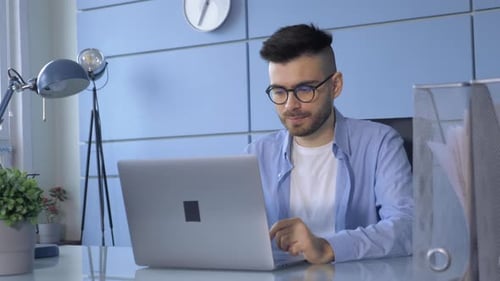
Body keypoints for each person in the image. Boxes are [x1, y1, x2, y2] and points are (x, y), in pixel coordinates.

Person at [244, 24, 413, 264]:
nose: (290, 105)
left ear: (335, 86)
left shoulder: (380, 143)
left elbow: (408, 227)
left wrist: (326, 247)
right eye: (279, 91)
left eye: (305, 89)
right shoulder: (255, 154)